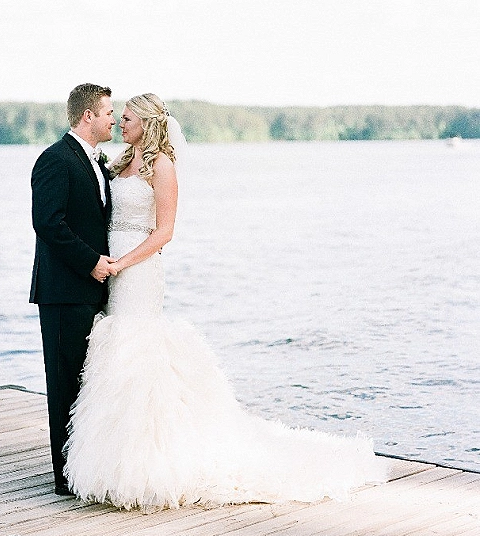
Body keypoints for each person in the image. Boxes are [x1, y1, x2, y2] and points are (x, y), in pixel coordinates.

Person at [64, 93, 387, 510]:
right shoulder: (119, 161)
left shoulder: (163, 166)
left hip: (137, 271)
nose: (120, 123)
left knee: (137, 345)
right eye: (119, 117)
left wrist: (123, 263)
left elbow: (164, 232)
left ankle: (149, 462)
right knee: (117, 351)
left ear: (146, 122)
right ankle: (116, 458)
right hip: (109, 267)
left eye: (127, 118)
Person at [30, 83, 117, 496]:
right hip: (64, 291)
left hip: (93, 290)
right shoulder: (55, 159)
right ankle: (66, 477)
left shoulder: (97, 162)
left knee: (90, 381)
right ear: (88, 116)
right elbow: (48, 223)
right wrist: (91, 262)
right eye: (108, 112)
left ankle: (87, 465)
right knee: (65, 383)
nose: (113, 119)